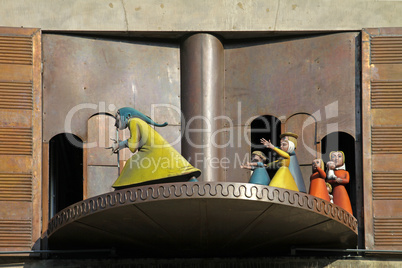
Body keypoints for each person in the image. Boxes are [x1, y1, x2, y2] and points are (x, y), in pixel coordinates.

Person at [107, 107, 201, 189]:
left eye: (117, 119)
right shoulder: (138, 122)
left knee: (131, 164)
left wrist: (119, 145)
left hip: (151, 151)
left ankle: (122, 189)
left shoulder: (133, 122)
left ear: (127, 116)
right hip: (153, 150)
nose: (116, 123)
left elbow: (133, 145)